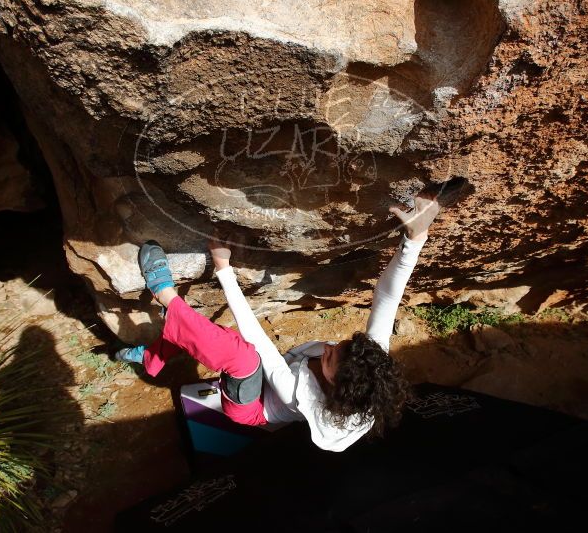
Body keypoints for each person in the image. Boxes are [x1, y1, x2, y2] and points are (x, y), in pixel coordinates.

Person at [116, 181, 467, 452]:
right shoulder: (368, 364)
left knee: (240, 354)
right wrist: (415, 239)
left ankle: (163, 291)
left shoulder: (300, 394)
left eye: (331, 357)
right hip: (274, 378)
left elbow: (258, 342)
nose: (331, 346)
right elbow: (388, 298)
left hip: (252, 407)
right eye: (341, 344)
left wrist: (224, 269)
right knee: (221, 340)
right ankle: (152, 359)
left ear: (333, 382)